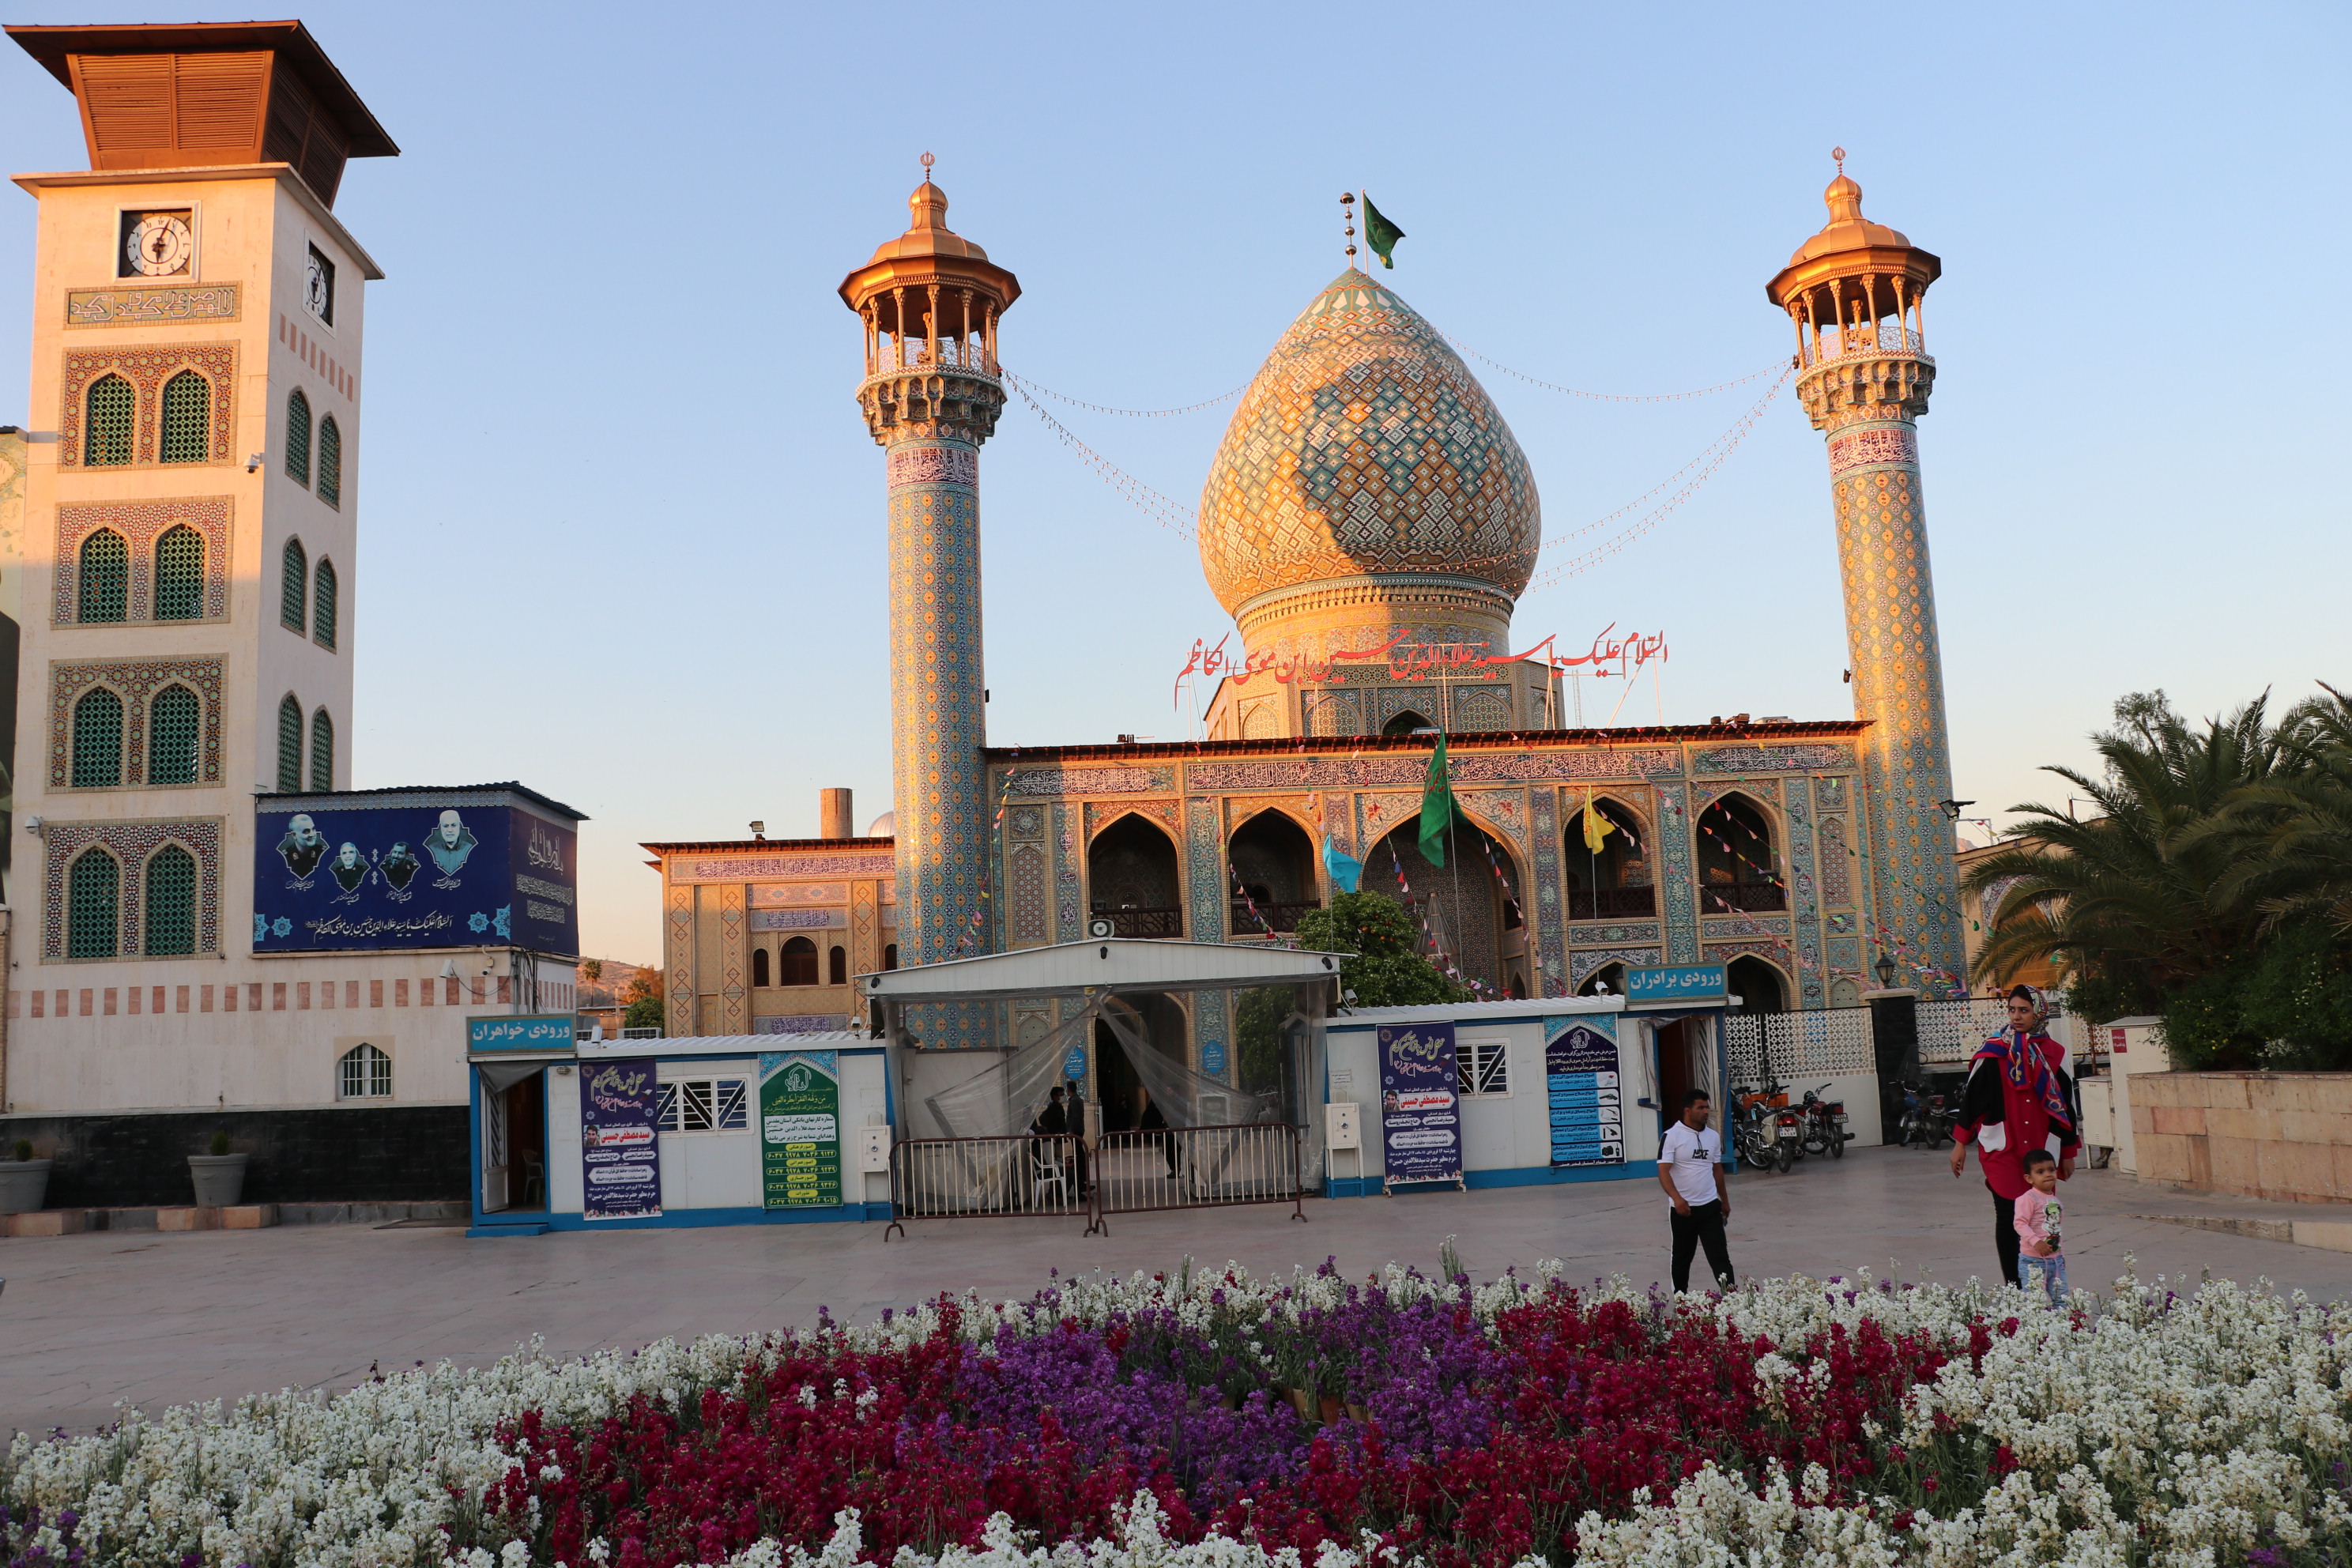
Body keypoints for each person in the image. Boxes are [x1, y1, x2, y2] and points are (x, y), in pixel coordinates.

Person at [1951, 984, 2079, 1288]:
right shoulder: (1994, 1051)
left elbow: (2065, 1105)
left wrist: (2069, 1153)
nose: (2017, 1017)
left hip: (2039, 1150)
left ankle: (2042, 1281)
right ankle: (2014, 1286)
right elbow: (1973, 1100)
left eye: (2024, 1010)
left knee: (2040, 1216)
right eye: (2012, 1010)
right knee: (2008, 1215)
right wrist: (1960, 1145)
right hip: (2003, 1151)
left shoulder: (2053, 1055)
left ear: (2038, 1012)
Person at [1658, 1088, 1735, 1292]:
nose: (1706, 1111)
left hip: (1710, 1206)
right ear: (1687, 1111)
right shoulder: (1671, 1136)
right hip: (1684, 1209)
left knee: (1720, 1256)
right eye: (1700, 1107)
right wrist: (1677, 1199)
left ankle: (1732, 1299)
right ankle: (1682, 1300)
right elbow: (1663, 1172)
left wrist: (1724, 1200)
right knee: (1682, 1257)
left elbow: (1717, 1169)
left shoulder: (1712, 1136)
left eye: (1707, 1107)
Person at [2014, 1148, 2067, 1305]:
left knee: (2062, 1299)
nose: (2048, 1174)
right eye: (2040, 1171)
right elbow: (2020, 1223)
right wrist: (2036, 1242)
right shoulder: (2027, 1199)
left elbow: (2056, 1230)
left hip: (2055, 1261)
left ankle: (2062, 1328)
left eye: (2051, 1170)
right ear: (2029, 1178)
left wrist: (2061, 1255)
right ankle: (2035, 1328)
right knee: (2034, 1301)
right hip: (2033, 1261)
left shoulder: (2055, 1201)